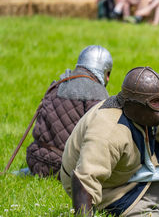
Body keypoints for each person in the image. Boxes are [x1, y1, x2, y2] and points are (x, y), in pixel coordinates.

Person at [60, 67, 159, 216]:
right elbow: (85, 180)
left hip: (125, 166)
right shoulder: (108, 131)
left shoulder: (152, 110)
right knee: (147, 211)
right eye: (154, 103)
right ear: (135, 106)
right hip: (106, 186)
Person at [25, 45, 112, 177]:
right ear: (106, 72)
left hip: (35, 161)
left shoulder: (59, 82)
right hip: (62, 168)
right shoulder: (96, 92)